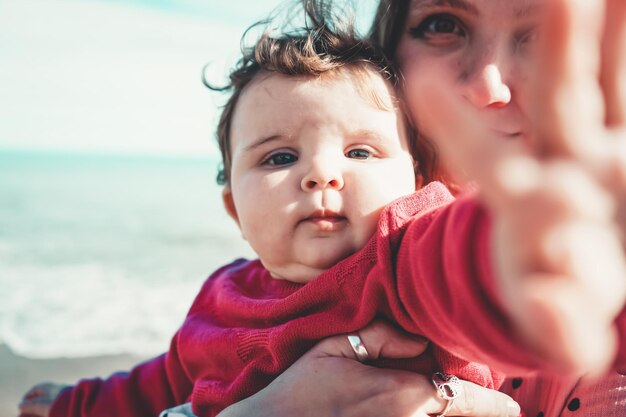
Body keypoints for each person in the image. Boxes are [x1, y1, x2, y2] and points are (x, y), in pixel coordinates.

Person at [19, 1, 626, 417]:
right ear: (233, 208)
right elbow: (150, 387)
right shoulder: (223, 300)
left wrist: (519, 237)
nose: (320, 172)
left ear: (413, 177)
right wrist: (65, 403)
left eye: (360, 150)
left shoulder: (398, 251)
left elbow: (452, 268)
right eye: (279, 158)